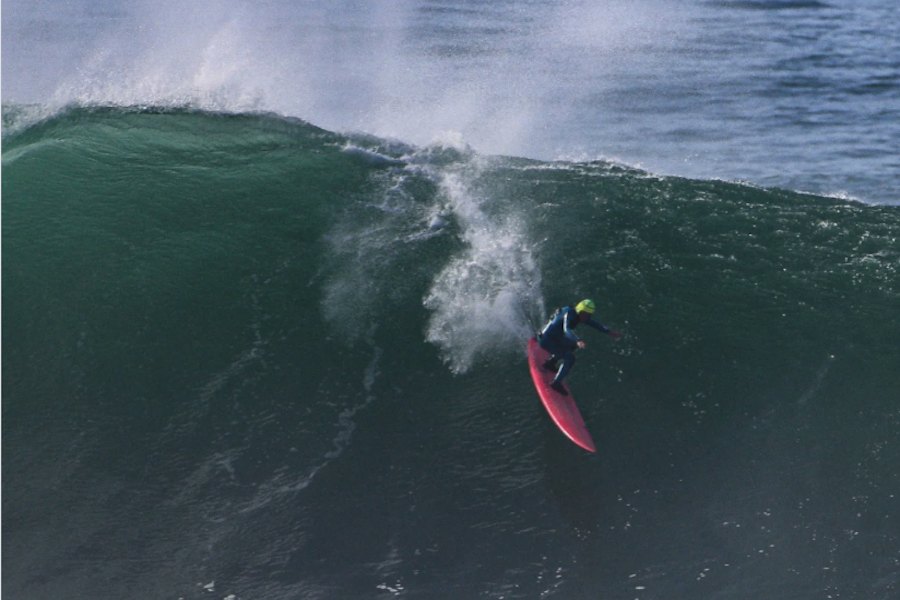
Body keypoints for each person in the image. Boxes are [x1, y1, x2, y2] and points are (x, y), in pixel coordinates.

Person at [538, 298, 621, 394]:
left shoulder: (578, 314)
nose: (588, 317)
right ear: (581, 311)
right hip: (547, 340)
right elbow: (567, 329)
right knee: (570, 358)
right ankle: (556, 383)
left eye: (590, 315)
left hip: (554, 338)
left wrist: (609, 332)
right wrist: (578, 340)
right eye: (586, 315)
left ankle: (550, 363)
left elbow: (594, 324)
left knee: (572, 345)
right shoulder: (569, 314)